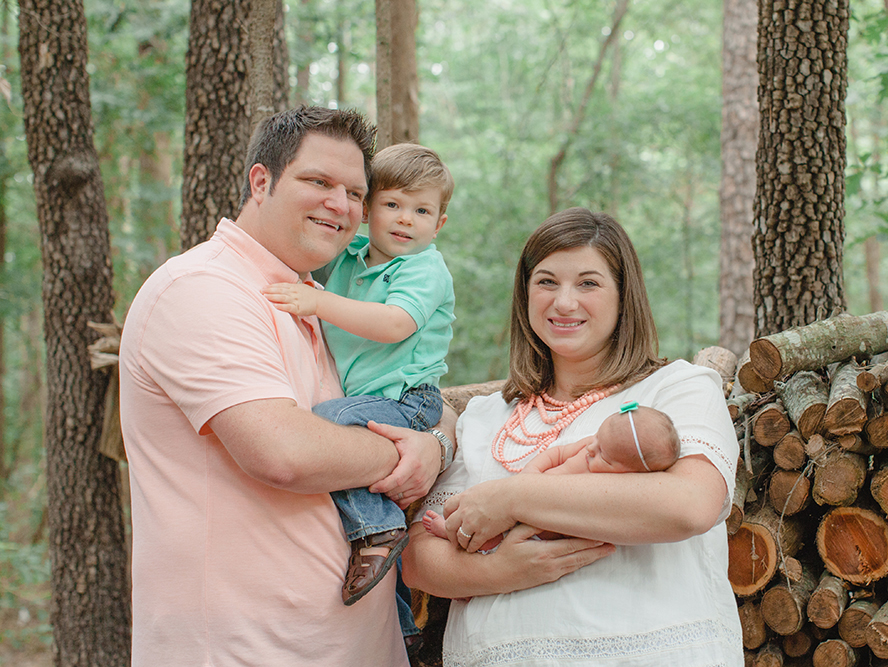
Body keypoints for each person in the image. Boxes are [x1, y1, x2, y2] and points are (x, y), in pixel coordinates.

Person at [119, 106, 454, 667]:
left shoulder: (308, 298)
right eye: (318, 181)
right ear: (261, 181)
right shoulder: (205, 288)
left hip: (346, 647)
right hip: (243, 650)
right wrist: (409, 453)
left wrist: (436, 442)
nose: (340, 204)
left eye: (354, 191)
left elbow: (414, 395)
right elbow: (286, 453)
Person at [401, 207, 742, 666]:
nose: (564, 302)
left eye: (588, 283)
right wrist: (495, 571)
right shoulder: (484, 417)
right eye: (546, 282)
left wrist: (514, 497)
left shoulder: (676, 388)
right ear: (524, 294)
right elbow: (419, 557)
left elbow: (688, 505)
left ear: (625, 296)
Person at [261, 143, 455, 644]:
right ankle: (403, 631)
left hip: (406, 399)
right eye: (393, 205)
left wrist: (318, 302)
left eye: (422, 211)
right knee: (366, 557)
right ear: (367, 210)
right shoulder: (348, 257)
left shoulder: (422, 268)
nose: (406, 220)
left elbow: (394, 324)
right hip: (370, 399)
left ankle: (381, 529)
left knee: (326, 420)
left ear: (440, 223)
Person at [420, 403, 680, 552]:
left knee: (503, 542)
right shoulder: (590, 447)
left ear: (629, 474)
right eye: (597, 439)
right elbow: (557, 454)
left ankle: (471, 561)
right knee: (490, 516)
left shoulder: (613, 487)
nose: (591, 448)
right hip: (522, 495)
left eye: (604, 456)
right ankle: (451, 530)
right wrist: (531, 475)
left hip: (548, 525)